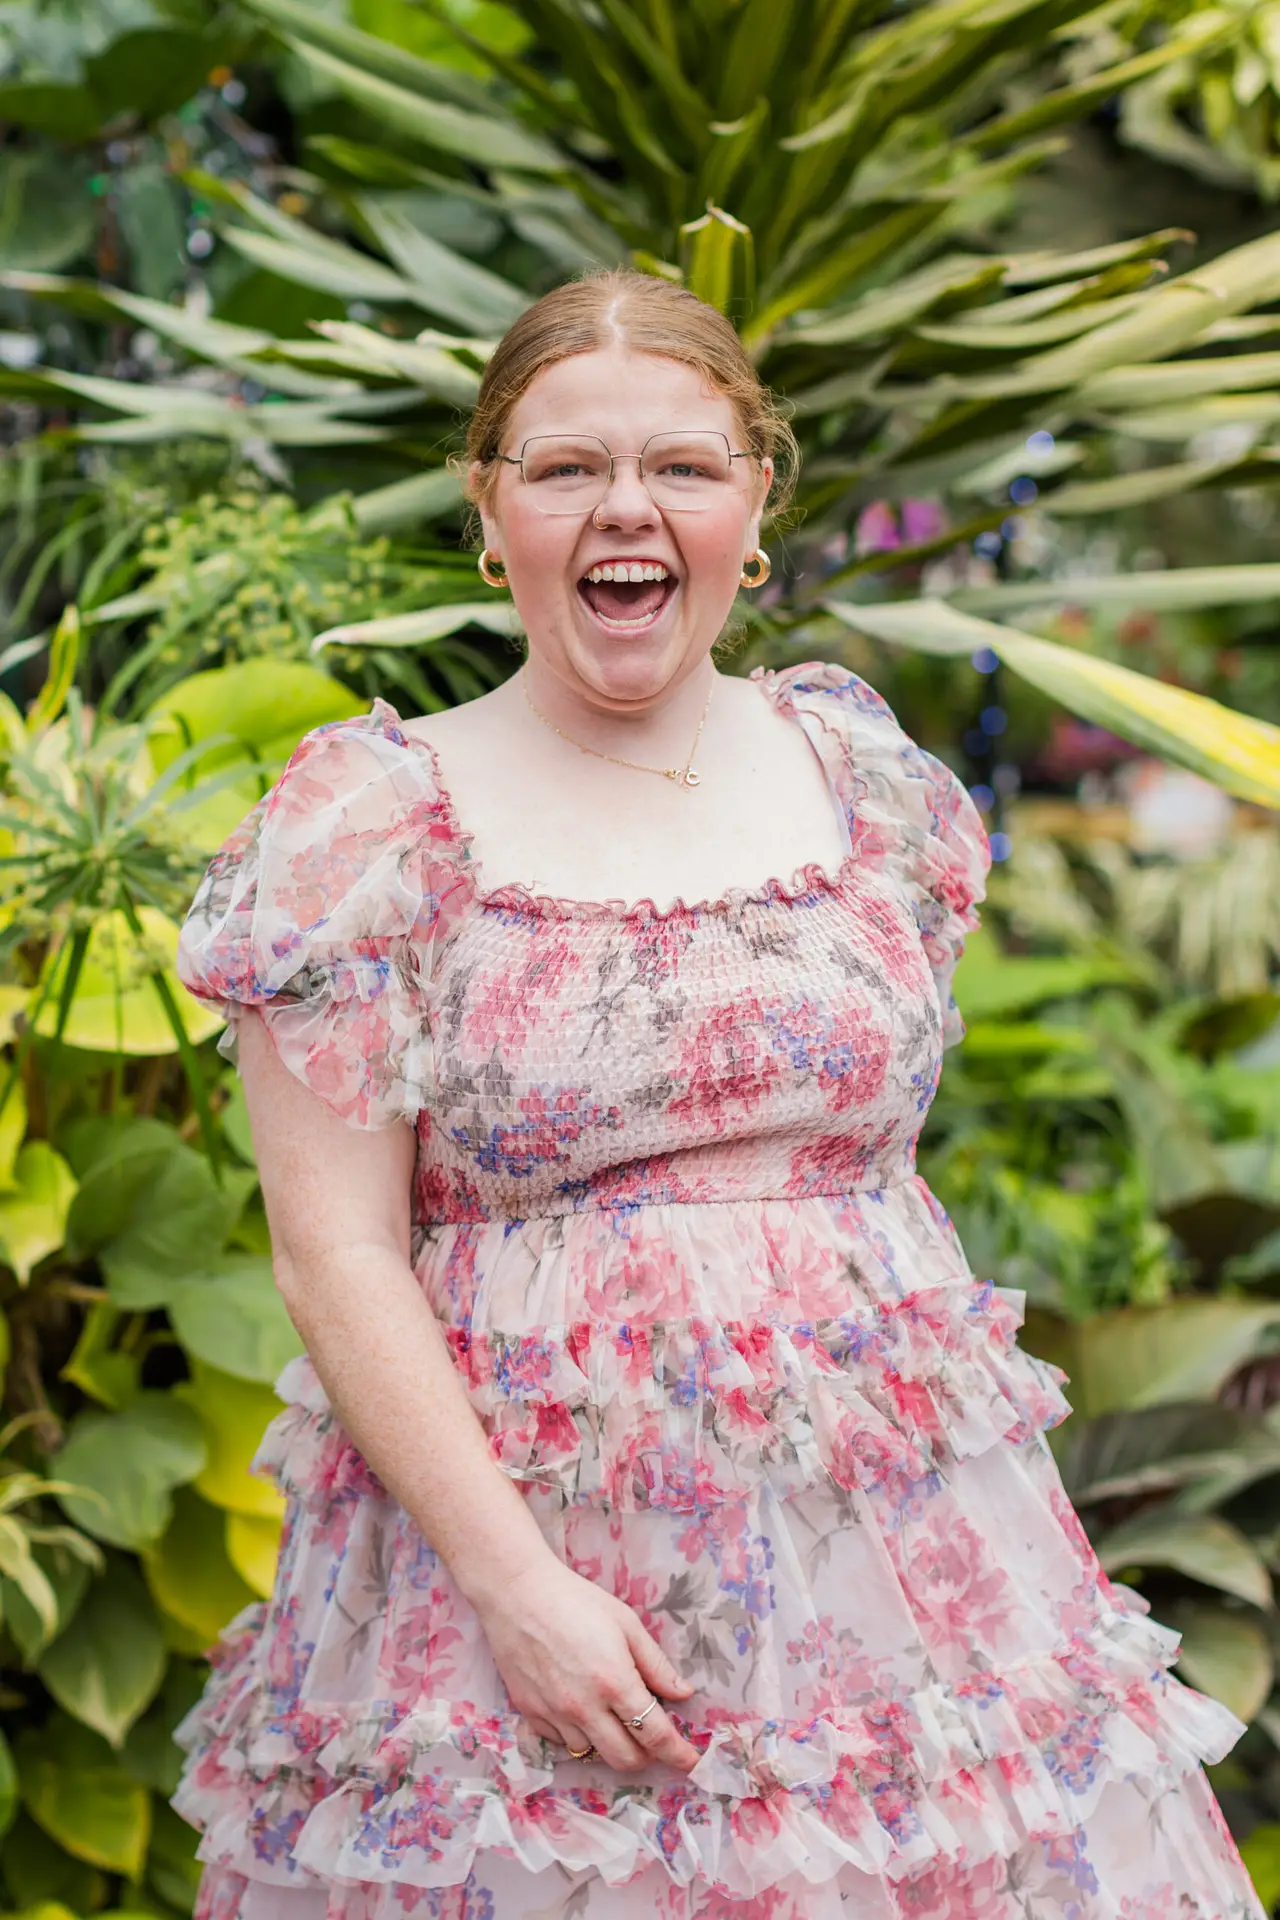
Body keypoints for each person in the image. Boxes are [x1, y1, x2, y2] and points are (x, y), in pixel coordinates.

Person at [172, 270, 1263, 1920]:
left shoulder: (861, 780)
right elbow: (337, 1255)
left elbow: (871, 1186)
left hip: (892, 1597)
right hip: (515, 1605)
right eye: (565, 468)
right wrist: (517, 1585)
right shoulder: (373, 829)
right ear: (493, 510)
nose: (629, 508)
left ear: (756, 495)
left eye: (683, 465)